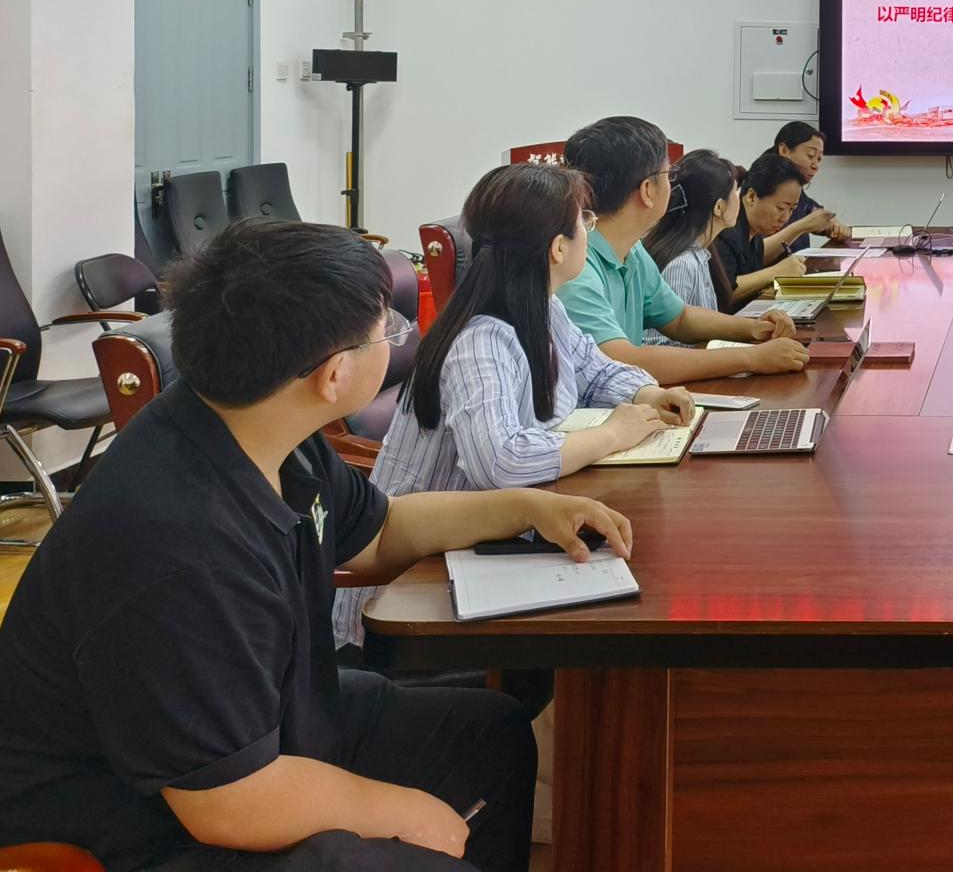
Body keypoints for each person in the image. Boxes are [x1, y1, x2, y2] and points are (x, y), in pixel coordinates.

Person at [0, 218, 630, 872]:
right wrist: (400, 811)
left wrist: (524, 507)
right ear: (333, 374)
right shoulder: (179, 542)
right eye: (386, 330)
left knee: (487, 734)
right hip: (138, 821)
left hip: (260, 730)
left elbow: (380, 531)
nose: (396, 337)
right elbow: (230, 803)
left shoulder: (263, 425)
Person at [333, 161, 697, 652]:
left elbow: (596, 370)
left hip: (483, 551)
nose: (589, 231)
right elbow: (503, 461)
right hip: (416, 588)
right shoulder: (481, 340)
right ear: (558, 247)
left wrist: (646, 394)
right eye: (584, 222)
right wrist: (612, 434)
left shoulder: (544, 308)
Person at [558, 116, 807, 383]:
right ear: (647, 190)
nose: (672, 185)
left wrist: (754, 328)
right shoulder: (576, 268)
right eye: (668, 175)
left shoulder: (632, 250)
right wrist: (752, 358)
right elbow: (621, 360)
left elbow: (679, 318)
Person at [645, 149, 746, 315]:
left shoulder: (701, 254)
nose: (739, 197)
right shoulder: (682, 265)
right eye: (735, 191)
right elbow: (669, 330)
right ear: (719, 207)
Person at [716, 152, 817, 305]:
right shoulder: (725, 230)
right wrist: (776, 272)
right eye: (781, 208)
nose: (785, 218)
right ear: (751, 197)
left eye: (792, 209)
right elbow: (722, 292)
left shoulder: (754, 232)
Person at [771, 121, 850, 252]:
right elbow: (758, 251)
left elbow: (809, 209)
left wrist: (831, 225)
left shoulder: (793, 187)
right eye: (810, 155)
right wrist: (802, 226)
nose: (815, 166)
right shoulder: (764, 183)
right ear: (784, 150)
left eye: (819, 159)